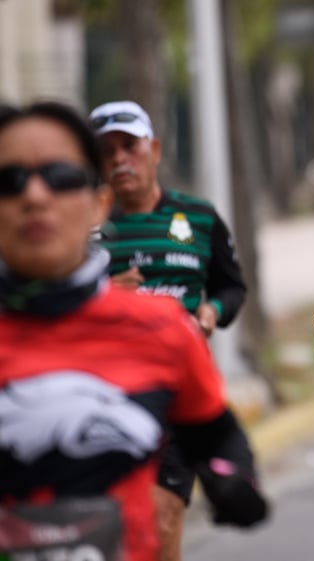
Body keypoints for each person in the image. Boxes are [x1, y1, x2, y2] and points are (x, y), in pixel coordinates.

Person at [0, 101, 267, 561]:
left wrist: (232, 477)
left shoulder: (163, 326)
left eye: (60, 176)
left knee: (165, 520)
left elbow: (215, 431)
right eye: (10, 180)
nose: (36, 196)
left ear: (97, 204)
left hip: (165, 427)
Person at [88, 100, 247, 561]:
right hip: (105, 398)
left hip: (176, 397)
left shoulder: (197, 217)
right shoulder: (82, 227)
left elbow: (232, 286)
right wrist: (102, 295)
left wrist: (213, 311)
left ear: (153, 150)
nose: (119, 159)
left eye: (129, 146)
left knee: (164, 518)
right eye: (106, 151)